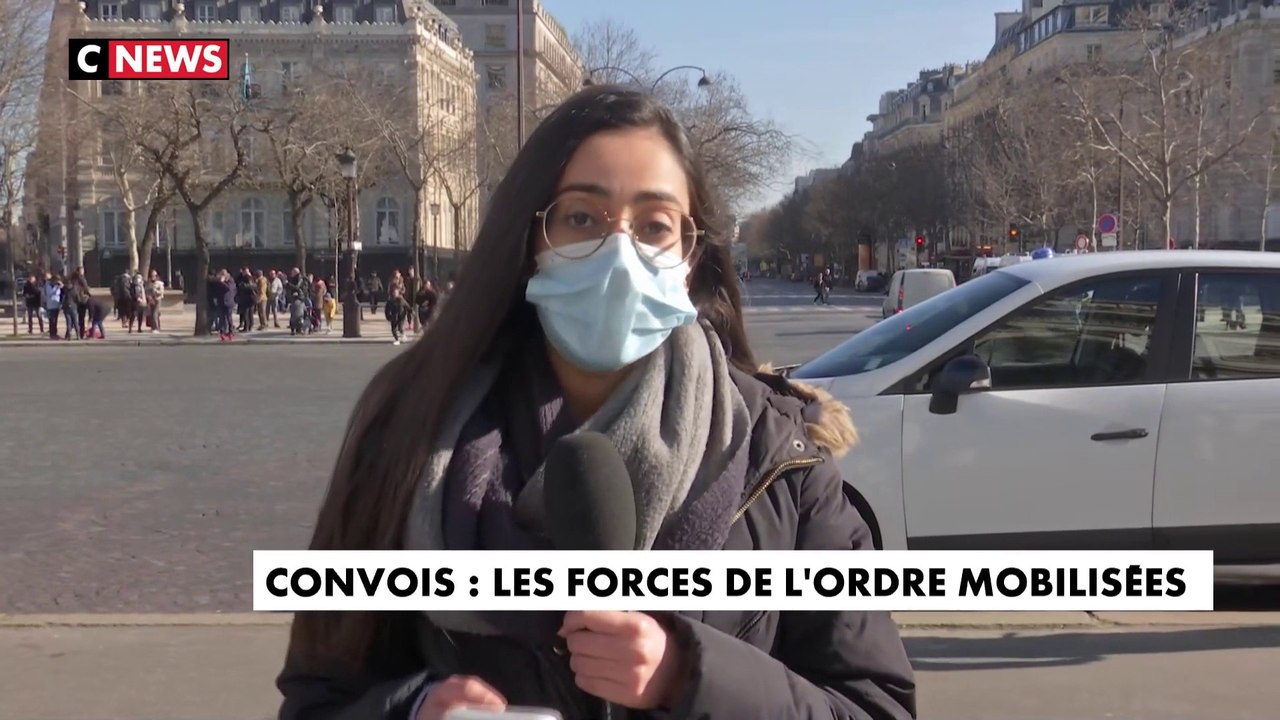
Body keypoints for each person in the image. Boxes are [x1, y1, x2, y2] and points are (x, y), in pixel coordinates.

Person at [276, 86, 915, 720]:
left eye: (654, 225)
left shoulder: (780, 456)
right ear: (532, 240)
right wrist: (412, 711)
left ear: (691, 256)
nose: (620, 252)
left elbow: (874, 707)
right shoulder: (408, 428)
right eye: (582, 218)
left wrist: (691, 677)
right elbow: (318, 697)